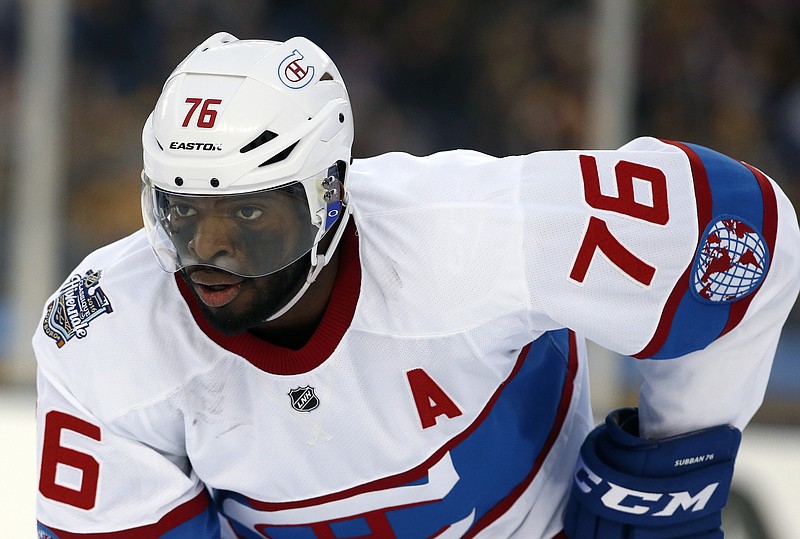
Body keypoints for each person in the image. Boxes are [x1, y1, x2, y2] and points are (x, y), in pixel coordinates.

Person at [34, 32, 800, 539]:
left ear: (330, 195)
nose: (207, 250)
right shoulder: (106, 330)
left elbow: (740, 234)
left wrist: (668, 474)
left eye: (247, 213)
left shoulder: (481, 231)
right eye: (180, 212)